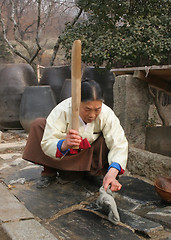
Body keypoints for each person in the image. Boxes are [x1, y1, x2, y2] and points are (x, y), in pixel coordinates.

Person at [23, 80, 128, 190]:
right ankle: (50, 169)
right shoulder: (62, 110)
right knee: (39, 124)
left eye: (97, 109)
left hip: (88, 154)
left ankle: (96, 172)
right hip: (65, 154)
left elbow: (118, 142)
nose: (92, 115)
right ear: (76, 103)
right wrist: (64, 144)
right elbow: (48, 141)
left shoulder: (106, 114)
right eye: (87, 109)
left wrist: (112, 173)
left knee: (106, 138)